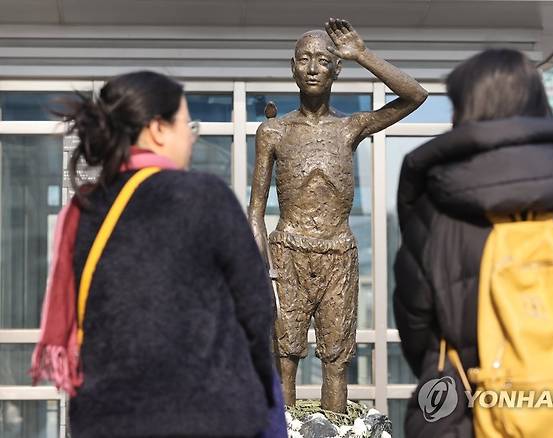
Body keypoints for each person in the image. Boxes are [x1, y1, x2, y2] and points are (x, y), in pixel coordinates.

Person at [393, 49, 553, 437]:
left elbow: (417, 326)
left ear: (465, 112)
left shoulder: (436, 211)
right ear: (538, 102)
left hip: (469, 413)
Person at [30, 71, 285, 437]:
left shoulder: (83, 211)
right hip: (209, 417)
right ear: (157, 129)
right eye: (187, 123)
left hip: (105, 421)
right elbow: (257, 309)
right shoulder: (204, 196)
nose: (191, 136)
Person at [247, 18, 427, 413]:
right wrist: (264, 269)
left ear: (337, 69)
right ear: (292, 68)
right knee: (285, 358)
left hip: (337, 253)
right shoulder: (273, 132)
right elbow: (255, 210)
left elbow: (415, 95)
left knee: (336, 359)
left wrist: (362, 53)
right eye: (305, 60)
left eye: (323, 60)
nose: (313, 68)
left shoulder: (350, 127)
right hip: (287, 254)